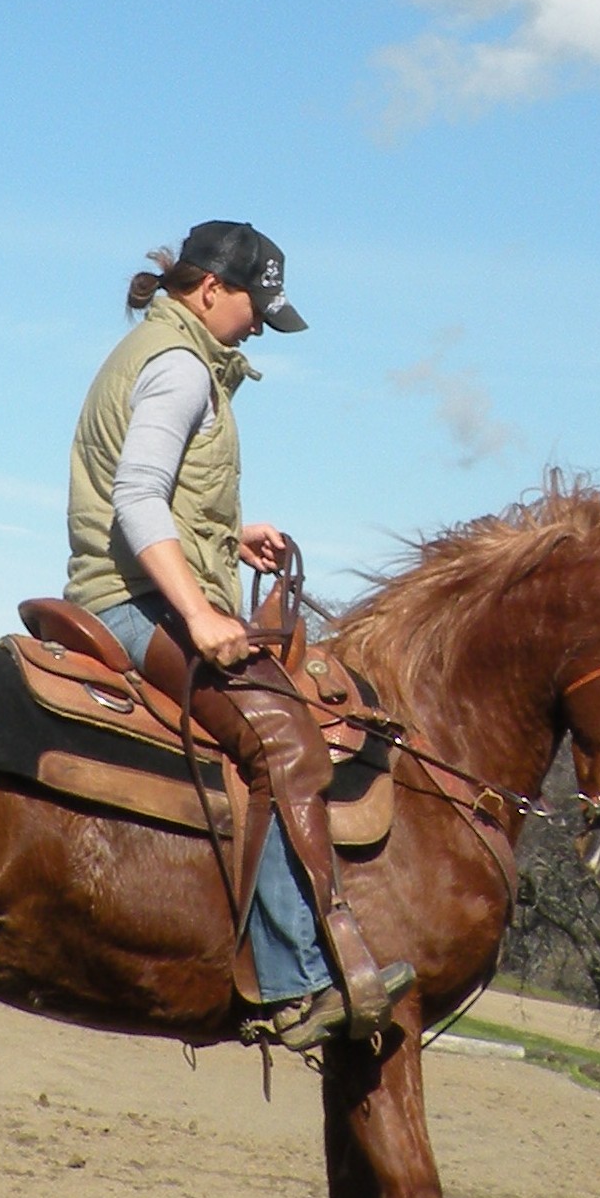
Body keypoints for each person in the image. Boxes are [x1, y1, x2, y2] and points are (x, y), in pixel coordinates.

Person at [65, 220, 411, 1049]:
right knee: (286, 742)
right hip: (133, 599)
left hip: (139, 581)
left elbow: (167, 499)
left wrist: (228, 538)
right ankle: (294, 982)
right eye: (255, 306)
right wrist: (200, 613)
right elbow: (139, 499)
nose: (258, 324)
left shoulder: (163, 352)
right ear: (211, 288)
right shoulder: (181, 368)